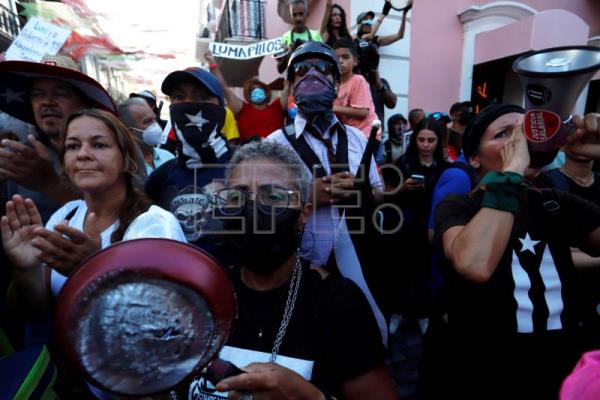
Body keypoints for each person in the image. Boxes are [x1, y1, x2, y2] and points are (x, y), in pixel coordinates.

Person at [187, 140, 398, 400]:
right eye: (236, 197)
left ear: (304, 213)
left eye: (273, 196)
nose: (252, 210)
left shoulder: (337, 302)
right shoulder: (203, 297)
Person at [421, 104, 600, 399]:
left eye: (526, 131)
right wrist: (512, 170)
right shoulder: (459, 205)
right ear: (475, 158)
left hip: (558, 370)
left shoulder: (554, 203)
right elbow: (474, 263)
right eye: (505, 134)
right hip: (481, 373)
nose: (522, 141)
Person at [3, 109, 186, 318]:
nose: (82, 154)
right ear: (64, 163)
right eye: (73, 146)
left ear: (126, 160)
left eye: (99, 145)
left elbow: (163, 318)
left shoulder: (154, 224)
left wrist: (94, 270)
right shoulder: (67, 214)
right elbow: (34, 312)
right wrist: (27, 269)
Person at [266, 41, 388, 343]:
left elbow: (378, 192)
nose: (312, 75)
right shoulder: (275, 144)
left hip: (357, 265)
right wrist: (308, 196)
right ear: (291, 85)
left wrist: (360, 193)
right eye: (301, 70)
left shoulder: (358, 140)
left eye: (322, 70)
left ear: (336, 83)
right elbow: (261, 205)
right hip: (299, 271)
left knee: (361, 339)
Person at [0, 55, 117, 223]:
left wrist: (50, 184)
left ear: (83, 103)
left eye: (60, 94)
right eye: (37, 95)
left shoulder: (116, 149)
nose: (47, 102)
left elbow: (126, 216)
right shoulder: (19, 156)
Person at [145, 66, 232, 262]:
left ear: (221, 109)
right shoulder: (160, 177)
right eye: (178, 97)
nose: (189, 105)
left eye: (202, 98)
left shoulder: (245, 169)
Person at [205, 52, 286, 142]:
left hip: (276, 153)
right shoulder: (241, 109)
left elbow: (288, 87)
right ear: (248, 94)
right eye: (253, 90)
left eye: (260, 89)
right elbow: (224, 88)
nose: (257, 91)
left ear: (266, 92)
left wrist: (287, 60)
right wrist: (212, 63)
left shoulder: (277, 106)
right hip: (249, 153)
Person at [332, 38, 379, 139]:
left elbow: (362, 112)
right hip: (351, 136)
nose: (340, 61)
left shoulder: (358, 80)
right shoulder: (334, 85)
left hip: (367, 136)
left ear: (355, 61)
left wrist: (332, 108)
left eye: (345, 57)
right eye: (336, 58)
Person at [117, 97, 174, 174]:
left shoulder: (169, 157)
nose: (156, 126)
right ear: (129, 132)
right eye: (147, 121)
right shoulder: (123, 168)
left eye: (155, 119)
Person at [277, 0, 323, 74]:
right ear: (291, 16)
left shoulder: (315, 35)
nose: (298, 18)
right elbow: (280, 69)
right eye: (294, 15)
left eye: (301, 14)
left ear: (307, 14)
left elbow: (323, 59)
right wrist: (286, 55)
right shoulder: (286, 37)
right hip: (293, 80)